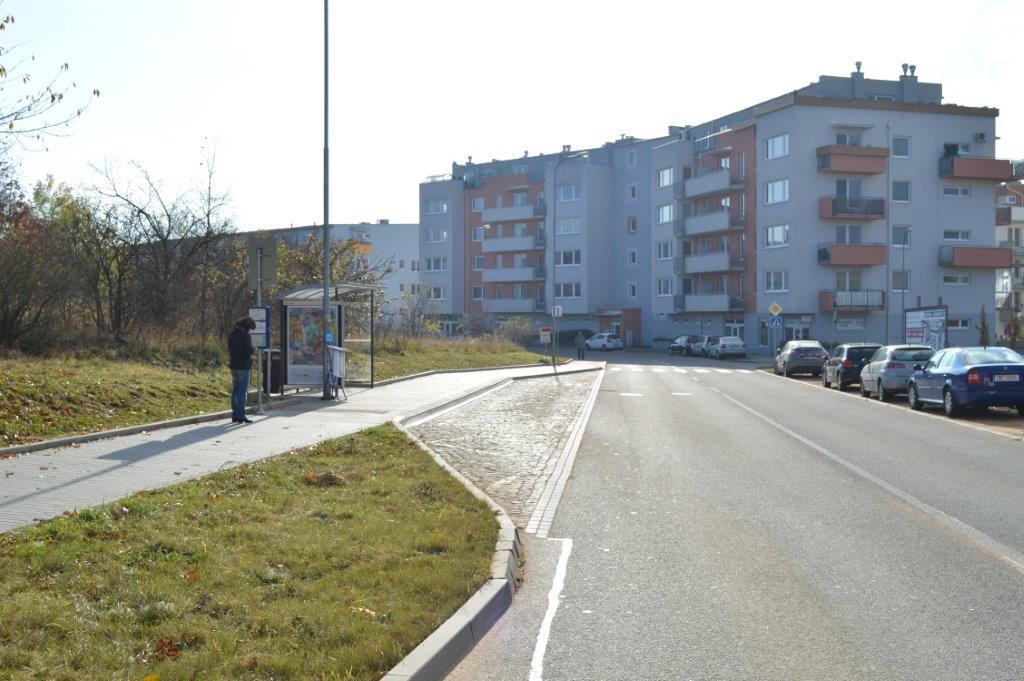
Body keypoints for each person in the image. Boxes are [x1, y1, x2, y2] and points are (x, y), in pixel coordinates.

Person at [228, 316, 256, 424]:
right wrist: (253, 348)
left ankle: (235, 414)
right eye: (250, 329)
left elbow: (229, 348)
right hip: (244, 366)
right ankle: (241, 415)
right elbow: (248, 350)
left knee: (235, 390)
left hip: (234, 365)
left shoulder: (232, 334)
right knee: (242, 392)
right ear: (246, 327)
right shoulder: (245, 336)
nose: (250, 331)